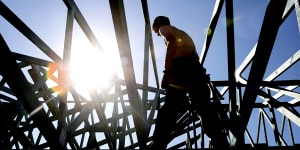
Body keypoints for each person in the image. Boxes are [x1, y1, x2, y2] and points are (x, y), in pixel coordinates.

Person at [148, 16, 229, 149]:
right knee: (203, 106)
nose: (158, 34)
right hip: (196, 71)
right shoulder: (184, 34)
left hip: (181, 68)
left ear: (158, 25)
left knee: (170, 107)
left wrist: (167, 72)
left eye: (156, 31)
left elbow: (171, 41)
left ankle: (158, 143)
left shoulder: (165, 29)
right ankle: (219, 139)